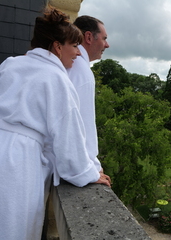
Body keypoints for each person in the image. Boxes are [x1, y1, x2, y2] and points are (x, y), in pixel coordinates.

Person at [0, 6, 110, 240]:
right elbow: (69, 139)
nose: (78, 53)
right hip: (13, 162)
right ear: (57, 47)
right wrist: (88, 172)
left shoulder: (12, 63)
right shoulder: (57, 79)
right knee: (8, 230)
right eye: (74, 46)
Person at [67, 16, 110, 176]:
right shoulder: (80, 69)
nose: (107, 44)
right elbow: (83, 124)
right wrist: (92, 167)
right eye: (104, 38)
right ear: (89, 37)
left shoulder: (70, 63)